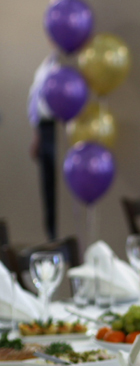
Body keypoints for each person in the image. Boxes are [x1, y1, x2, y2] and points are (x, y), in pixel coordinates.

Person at [28, 53, 59, 241]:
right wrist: (37, 135)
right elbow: (36, 99)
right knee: (48, 188)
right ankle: (51, 238)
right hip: (44, 130)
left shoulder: (65, 63)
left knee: (58, 190)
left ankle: (60, 240)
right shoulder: (47, 63)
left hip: (58, 129)